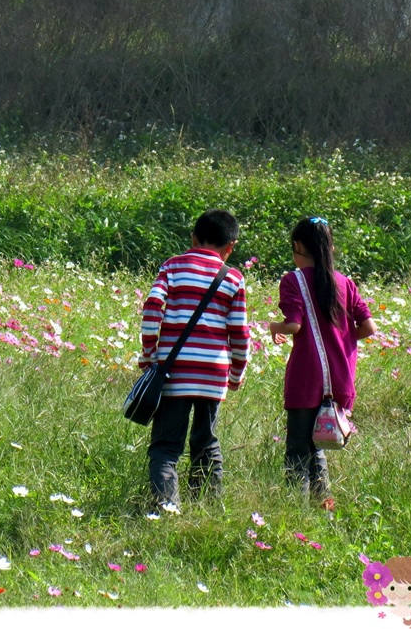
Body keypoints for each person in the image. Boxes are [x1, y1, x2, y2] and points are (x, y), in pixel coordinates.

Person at [139, 209, 250, 512]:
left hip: (174, 373)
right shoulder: (233, 278)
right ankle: (208, 507)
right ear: (231, 246)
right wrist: (236, 374)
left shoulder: (173, 267)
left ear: (193, 238)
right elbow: (240, 333)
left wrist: (149, 355)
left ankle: (165, 506)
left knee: (165, 446)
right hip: (213, 374)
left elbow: (152, 307)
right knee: (207, 442)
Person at [268, 216, 377, 510]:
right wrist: (340, 339)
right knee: (318, 448)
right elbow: (368, 329)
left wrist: (273, 327)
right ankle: (324, 510)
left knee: (297, 451)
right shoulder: (344, 283)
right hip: (339, 380)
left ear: (298, 246)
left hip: (307, 379)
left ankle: (296, 512)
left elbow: (294, 326)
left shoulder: (294, 280)